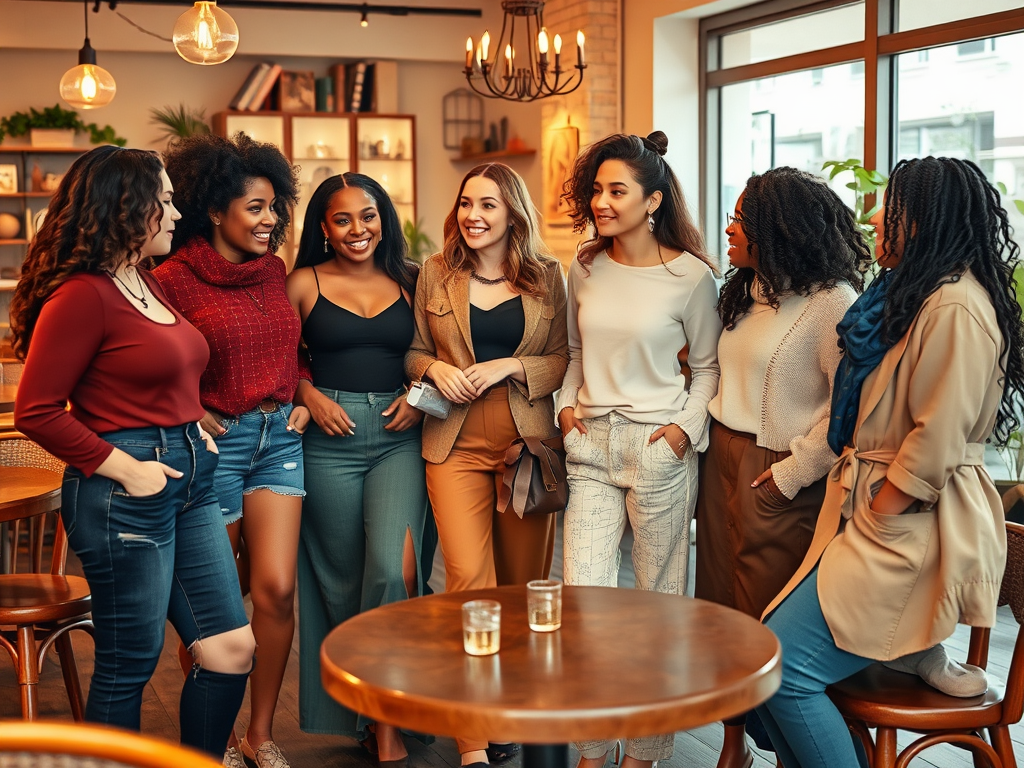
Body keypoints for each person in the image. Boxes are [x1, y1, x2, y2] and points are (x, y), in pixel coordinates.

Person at [754, 156, 1024, 768]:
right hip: (877, 515)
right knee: (767, 668)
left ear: (925, 218)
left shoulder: (955, 306)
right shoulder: (912, 293)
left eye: (894, 207)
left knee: (781, 669)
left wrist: (884, 504)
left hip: (911, 526)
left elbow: (939, 434)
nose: (877, 219)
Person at [11, 146, 255, 757]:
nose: (176, 213)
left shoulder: (140, 281)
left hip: (191, 481)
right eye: (165, 200)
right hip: (126, 493)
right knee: (130, 663)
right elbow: (35, 410)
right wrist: (128, 468)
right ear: (127, 207)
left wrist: (187, 421)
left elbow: (159, 374)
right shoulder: (83, 295)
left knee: (230, 649)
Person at [557, 131, 721, 768]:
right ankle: (593, 750)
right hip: (591, 445)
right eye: (596, 189)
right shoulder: (585, 266)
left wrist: (682, 434)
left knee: (657, 604)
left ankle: (645, 753)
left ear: (653, 201)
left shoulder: (691, 277)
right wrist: (566, 411)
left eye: (616, 190)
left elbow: (705, 371)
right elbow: (574, 355)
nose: (601, 201)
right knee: (586, 603)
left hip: (659, 449)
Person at [693, 167, 867, 768]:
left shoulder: (832, 303)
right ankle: (735, 744)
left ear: (778, 228)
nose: (730, 229)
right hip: (721, 458)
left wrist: (795, 471)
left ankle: (794, 748)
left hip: (778, 469)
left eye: (741, 219)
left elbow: (850, 407)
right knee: (721, 609)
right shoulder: (745, 290)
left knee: (766, 613)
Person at [406, 162, 568, 768]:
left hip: (528, 446)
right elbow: (415, 350)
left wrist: (511, 366)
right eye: (467, 203)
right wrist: (431, 368)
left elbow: (563, 358)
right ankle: (474, 739)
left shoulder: (549, 276)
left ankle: (517, 715)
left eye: (489, 206)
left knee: (524, 590)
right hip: (454, 443)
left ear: (513, 215)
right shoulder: (435, 274)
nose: (474, 215)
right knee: (468, 581)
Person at [153, 132, 306, 768]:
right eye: (256, 207)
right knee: (216, 610)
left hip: (278, 441)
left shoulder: (274, 273)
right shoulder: (170, 279)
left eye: (275, 206)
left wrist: (299, 391)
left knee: (274, 590)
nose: (270, 220)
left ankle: (259, 734)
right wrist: (194, 413)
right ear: (215, 208)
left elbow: (289, 348)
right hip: (214, 447)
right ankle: (211, 742)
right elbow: (155, 366)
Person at [287, 172, 430, 762]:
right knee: (340, 582)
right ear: (323, 226)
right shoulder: (302, 282)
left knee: (393, 572)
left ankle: (391, 719)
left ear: (384, 219)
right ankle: (359, 714)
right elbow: (277, 362)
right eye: (342, 219)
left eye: (367, 216)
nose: (357, 229)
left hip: (400, 437)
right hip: (328, 439)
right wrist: (307, 393)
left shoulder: (413, 280)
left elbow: (438, 356)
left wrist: (420, 402)